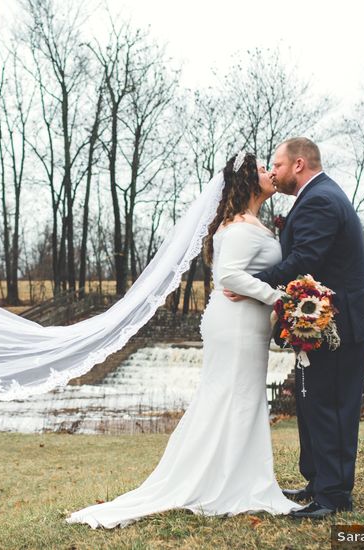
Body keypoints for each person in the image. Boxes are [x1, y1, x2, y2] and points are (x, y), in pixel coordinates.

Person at [66, 151, 301, 528]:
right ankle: (231, 482)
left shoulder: (244, 222)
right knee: (236, 397)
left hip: (240, 323)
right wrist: (280, 299)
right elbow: (229, 277)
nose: (269, 173)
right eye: (261, 170)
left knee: (235, 397)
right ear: (246, 181)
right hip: (237, 325)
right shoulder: (241, 226)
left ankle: (237, 476)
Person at [224, 137, 364, 519]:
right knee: (313, 404)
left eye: (276, 165)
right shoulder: (315, 197)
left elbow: (304, 259)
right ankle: (317, 481)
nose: (272, 173)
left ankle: (334, 496)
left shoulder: (321, 199)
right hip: (319, 323)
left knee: (332, 407)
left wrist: (252, 283)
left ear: (297, 164)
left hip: (337, 325)